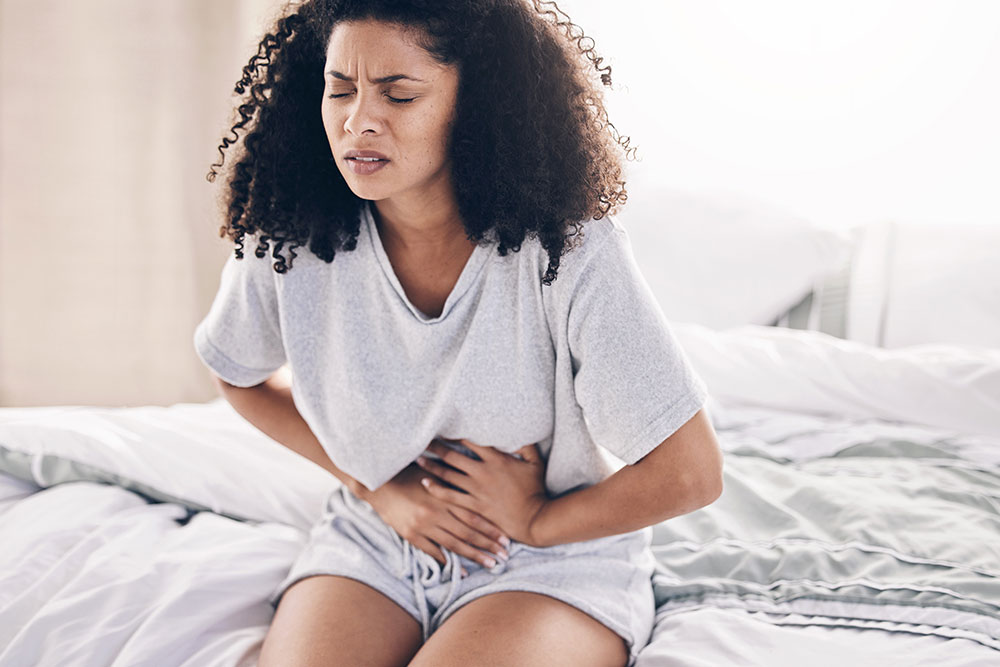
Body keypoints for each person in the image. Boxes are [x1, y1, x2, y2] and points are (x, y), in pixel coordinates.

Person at [193, 0, 724, 665]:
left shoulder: (569, 252)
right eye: (340, 89)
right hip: (380, 543)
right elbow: (235, 372)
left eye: (399, 94)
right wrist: (376, 486)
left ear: (474, 105)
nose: (358, 121)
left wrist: (537, 520)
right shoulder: (291, 237)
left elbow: (692, 473)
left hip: (549, 560)